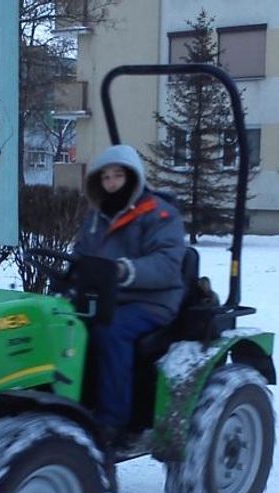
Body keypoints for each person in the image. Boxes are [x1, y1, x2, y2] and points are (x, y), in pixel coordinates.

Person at [72, 144, 186, 444]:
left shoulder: (160, 214)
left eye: (117, 176)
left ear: (133, 178)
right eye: (106, 177)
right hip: (105, 297)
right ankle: (74, 404)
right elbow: (82, 254)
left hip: (152, 301)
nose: (111, 183)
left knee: (111, 331)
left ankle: (112, 422)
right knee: (62, 324)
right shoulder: (96, 218)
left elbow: (168, 265)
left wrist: (125, 270)